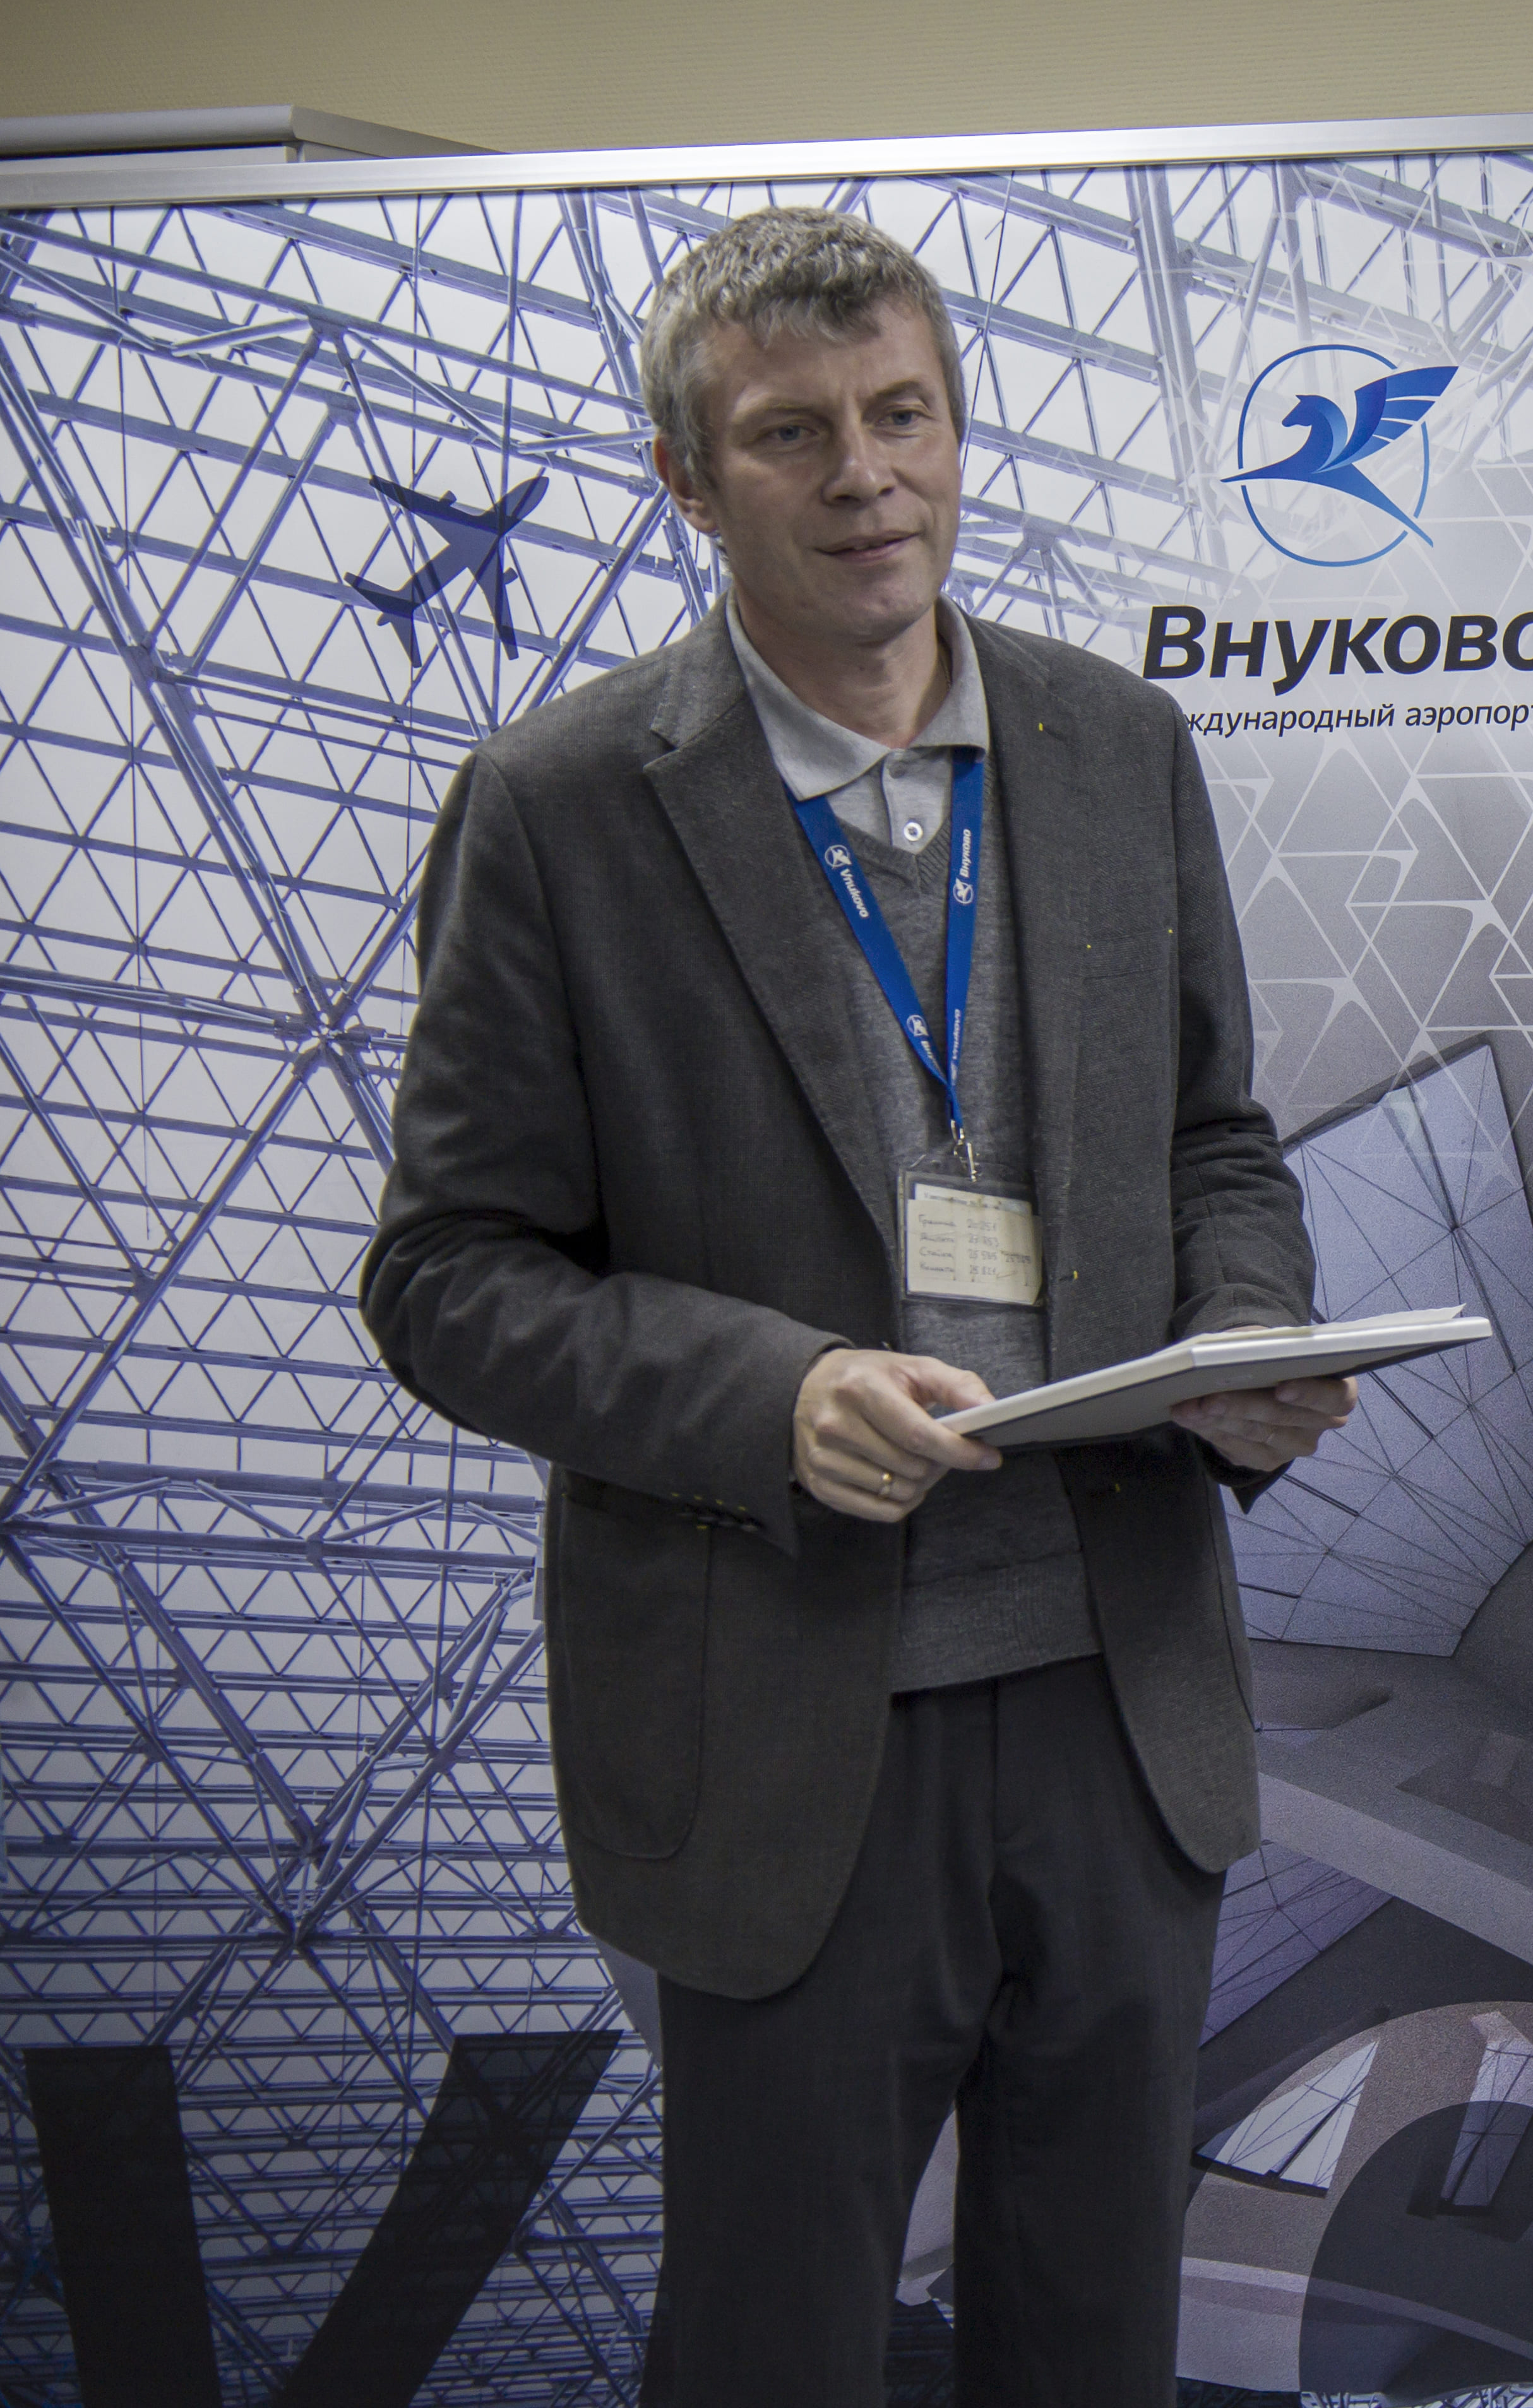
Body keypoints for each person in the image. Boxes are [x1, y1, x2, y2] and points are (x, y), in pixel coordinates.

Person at [362, 205, 1354, 2404]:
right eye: (791, 434)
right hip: (791, 1726)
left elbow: (1215, 1135)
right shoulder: (559, 811)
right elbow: (443, 1277)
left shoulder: (1115, 745)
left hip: (1121, 1702)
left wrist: (1250, 1333)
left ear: (959, 435)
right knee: (778, 2354)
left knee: (1091, 2347)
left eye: (903, 416)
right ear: (689, 482)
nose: (865, 477)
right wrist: (771, 1393)